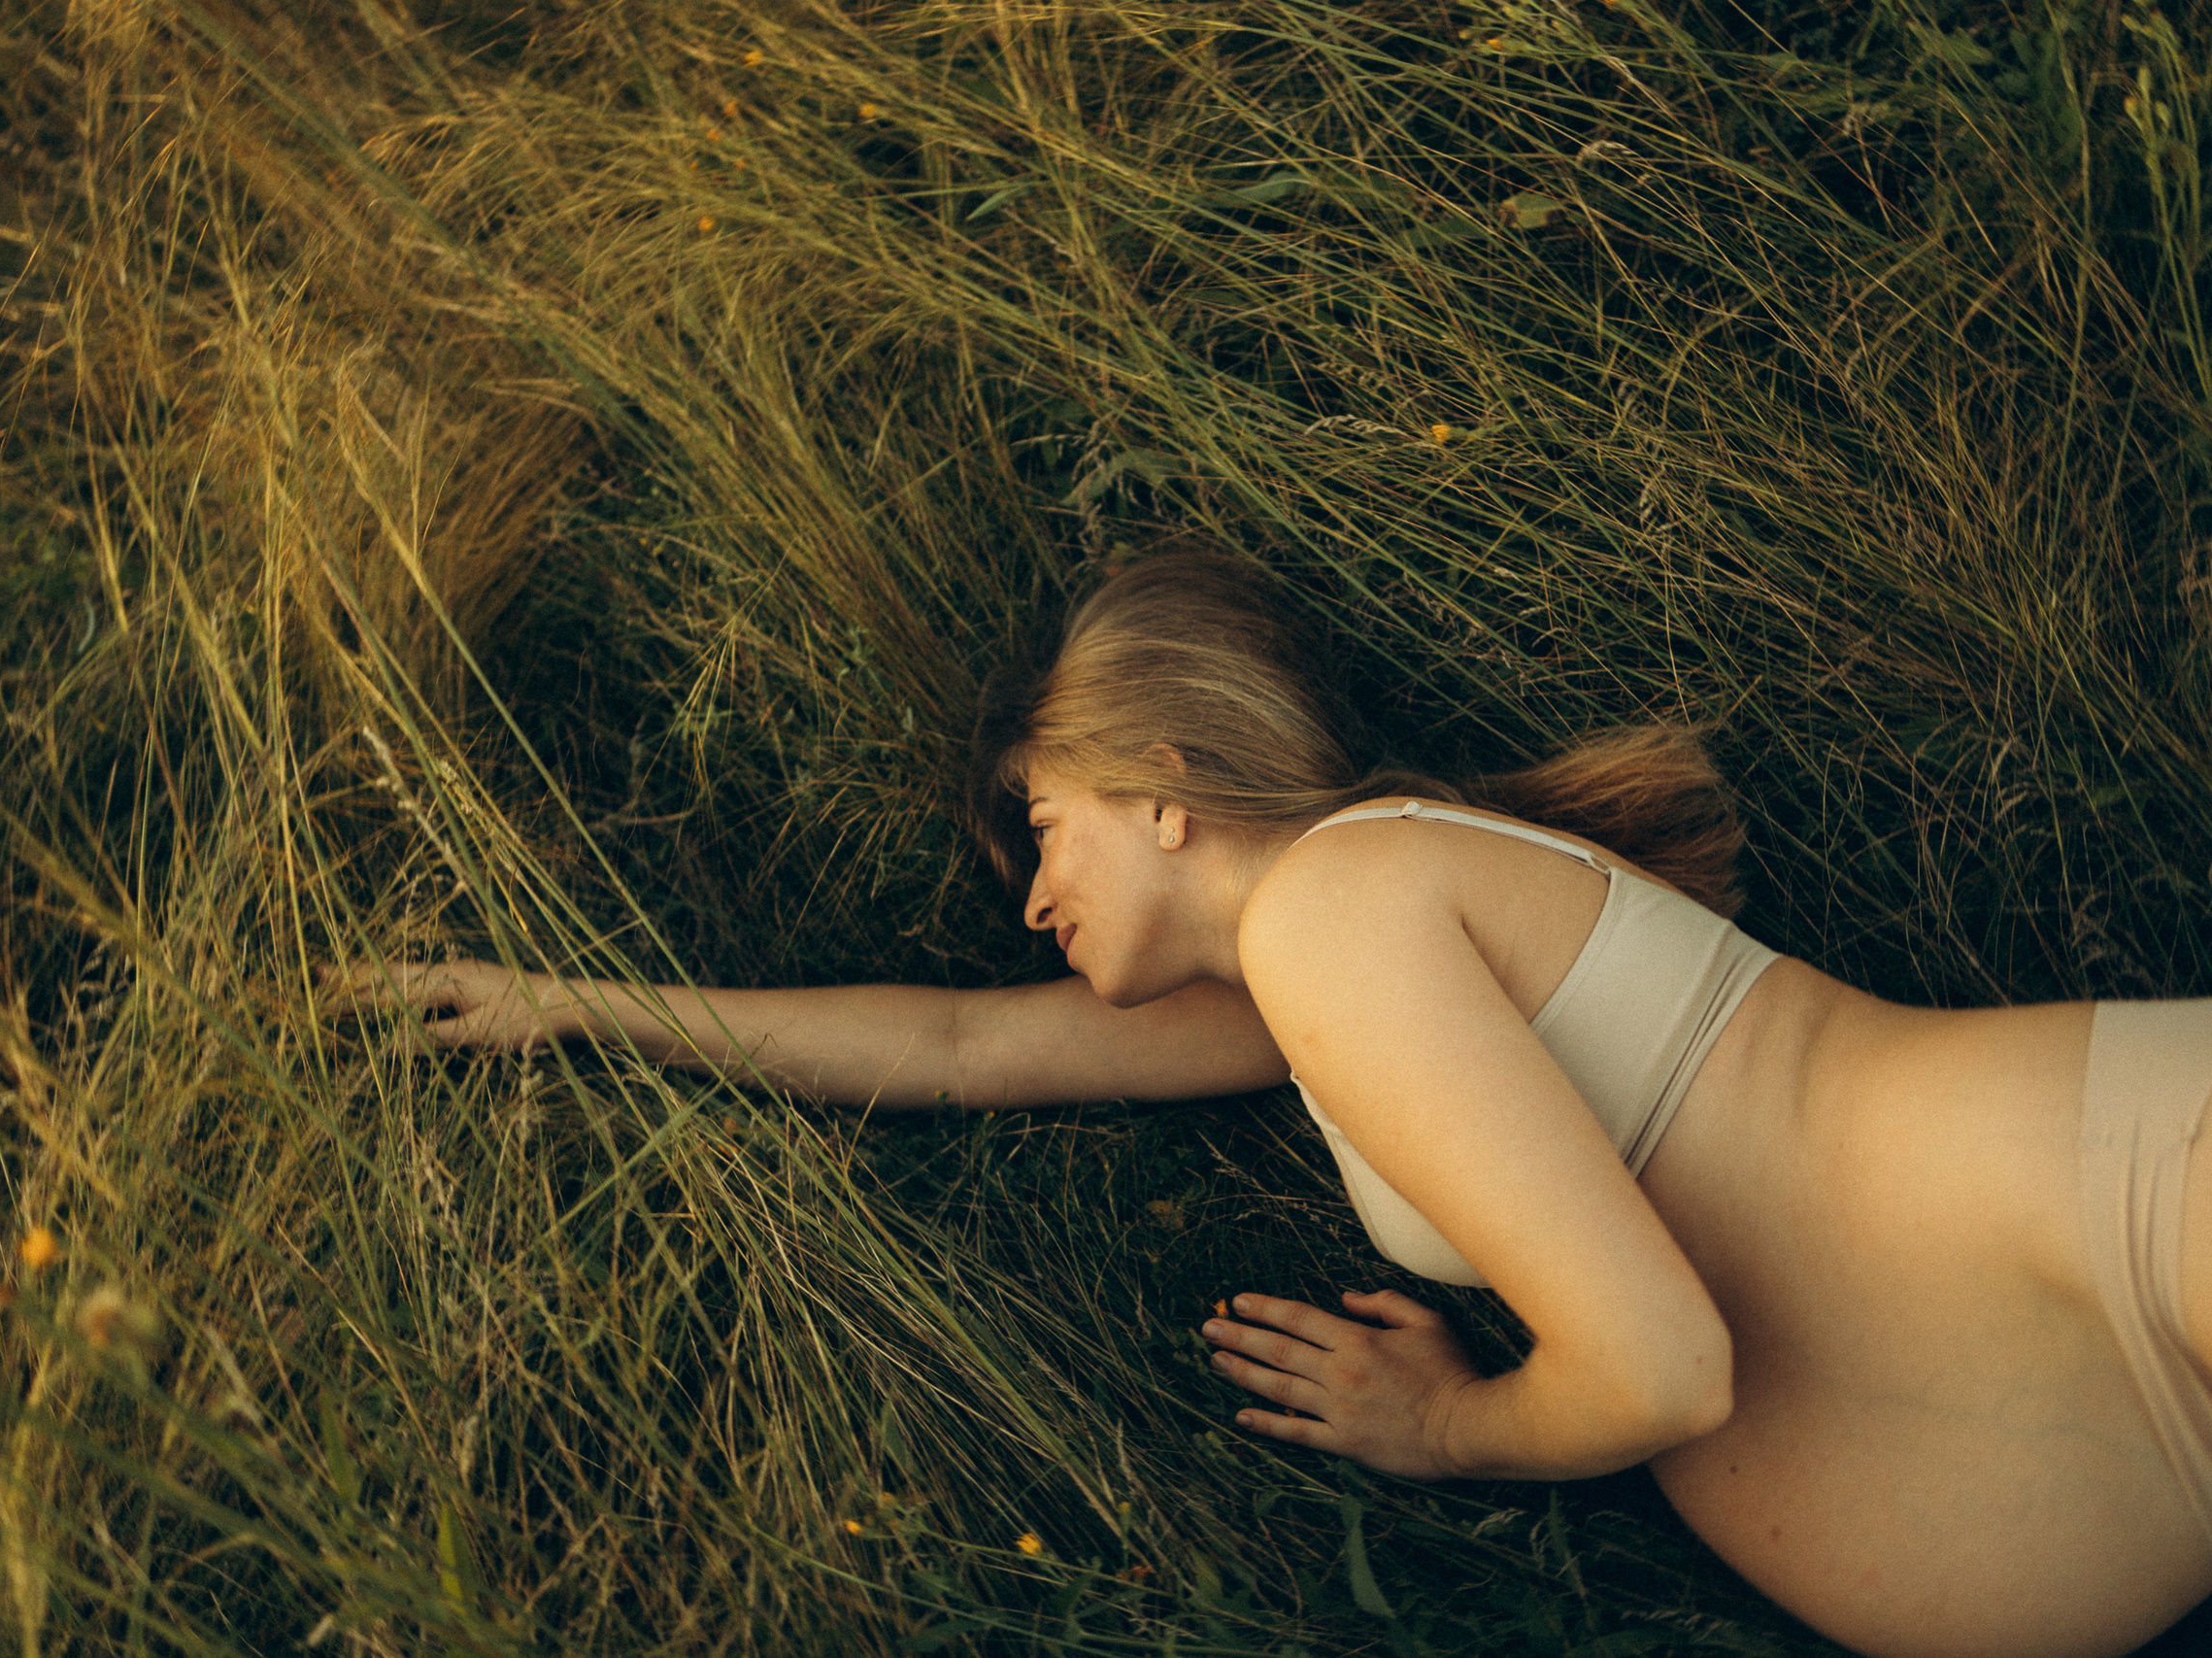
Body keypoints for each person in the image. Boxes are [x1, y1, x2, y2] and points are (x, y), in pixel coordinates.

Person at [327, 551, 2212, 1658]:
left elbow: (1661, 1366)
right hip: (2099, 1338)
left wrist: (1442, 1422)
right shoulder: (1323, 980)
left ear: (1160, 780)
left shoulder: (1338, 909)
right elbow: (965, 1048)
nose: (1027, 897)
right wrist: (576, 1007)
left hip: (2116, 1201)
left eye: (1041, 827)